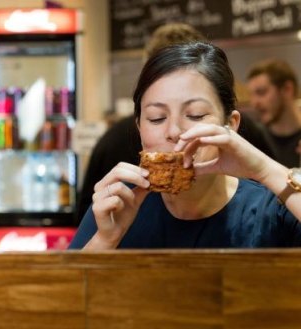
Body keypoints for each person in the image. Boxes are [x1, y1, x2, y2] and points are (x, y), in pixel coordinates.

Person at [70, 42, 301, 249]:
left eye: (195, 115)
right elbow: (64, 295)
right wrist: (106, 239)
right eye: (157, 118)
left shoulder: (272, 211)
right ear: (140, 128)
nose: (173, 132)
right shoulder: (117, 206)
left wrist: (263, 170)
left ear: (230, 125)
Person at [247, 59, 301, 167]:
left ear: (287, 89)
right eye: (252, 95)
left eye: (261, 92)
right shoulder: (255, 141)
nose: (254, 103)